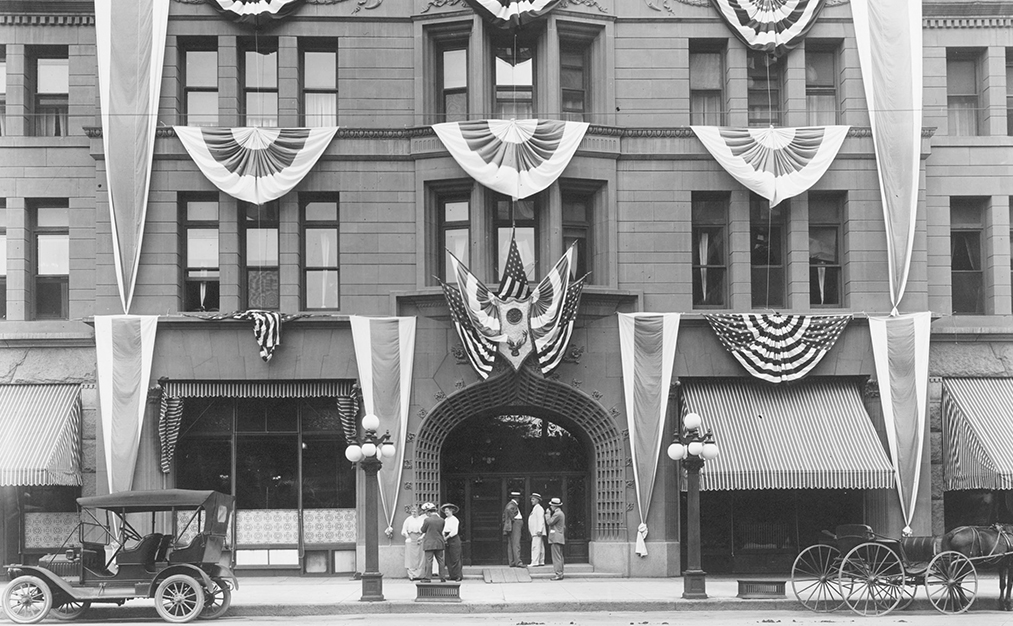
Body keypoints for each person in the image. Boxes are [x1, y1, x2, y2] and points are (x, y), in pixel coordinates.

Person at [418, 502, 448, 582]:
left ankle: (428, 577)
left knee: (429, 560)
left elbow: (422, 530)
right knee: (441, 561)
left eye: (426, 512)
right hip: (439, 542)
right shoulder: (442, 520)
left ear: (429, 512)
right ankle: (442, 577)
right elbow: (441, 530)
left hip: (429, 543)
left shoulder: (427, 520)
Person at [400, 504, 425, 580]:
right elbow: (404, 529)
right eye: (412, 512)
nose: (413, 513)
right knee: (410, 557)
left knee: (420, 556)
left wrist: (422, 537)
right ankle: (411, 574)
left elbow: (425, 529)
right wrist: (407, 536)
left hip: (420, 538)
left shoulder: (422, 519)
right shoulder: (408, 519)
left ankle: (420, 574)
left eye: (415, 511)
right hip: (411, 538)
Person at [545, 497, 566, 580]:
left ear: (554, 506)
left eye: (551, 505)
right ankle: (560, 573)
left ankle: (558, 574)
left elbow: (549, 522)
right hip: (559, 537)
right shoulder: (561, 513)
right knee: (559, 556)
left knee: (556, 557)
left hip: (556, 537)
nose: (550, 507)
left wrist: (547, 514)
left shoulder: (557, 514)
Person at [442, 503, 463, 581]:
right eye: (445, 511)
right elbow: (443, 529)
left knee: (455, 558)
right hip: (447, 539)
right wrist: (443, 536)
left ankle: (458, 575)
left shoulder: (455, 520)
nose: (445, 512)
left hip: (453, 539)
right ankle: (452, 575)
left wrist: (447, 537)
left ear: (451, 511)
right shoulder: (446, 520)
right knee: (449, 558)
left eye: (447, 510)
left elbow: (454, 531)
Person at [502, 491, 523, 567]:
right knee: (516, 543)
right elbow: (508, 510)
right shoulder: (512, 504)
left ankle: (512, 561)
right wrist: (513, 518)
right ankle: (518, 562)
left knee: (511, 543)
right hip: (515, 524)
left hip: (514, 524)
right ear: (517, 498)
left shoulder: (511, 504)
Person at [527, 492, 545, 567]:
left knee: (535, 546)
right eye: (531, 499)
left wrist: (539, 530)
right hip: (535, 531)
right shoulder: (536, 508)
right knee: (540, 546)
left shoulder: (539, 509)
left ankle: (535, 562)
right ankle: (541, 560)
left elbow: (541, 520)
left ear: (537, 500)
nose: (532, 500)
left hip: (536, 531)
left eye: (533, 499)